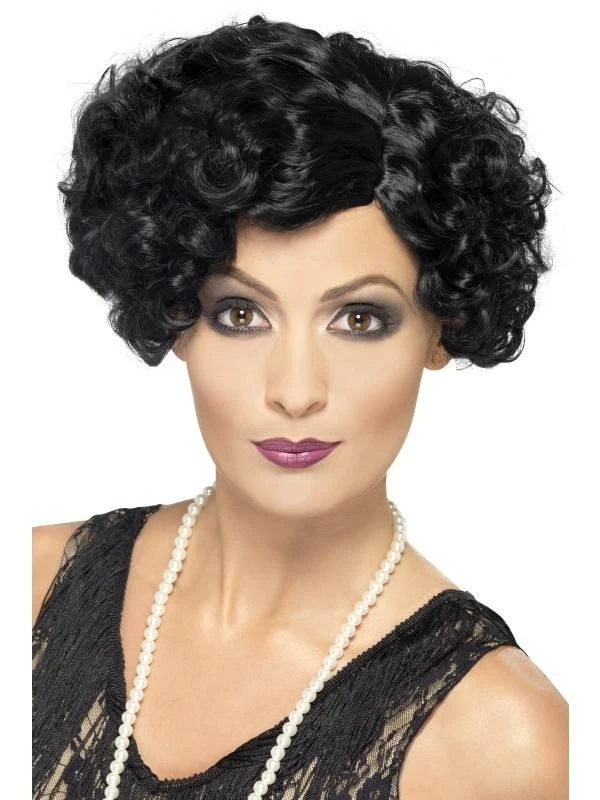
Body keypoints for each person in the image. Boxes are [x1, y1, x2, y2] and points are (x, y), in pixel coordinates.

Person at [32, 13, 568, 800]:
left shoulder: (496, 737)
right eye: (240, 314)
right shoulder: (31, 588)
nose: (294, 390)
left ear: (440, 328)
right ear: (175, 314)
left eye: (360, 319)